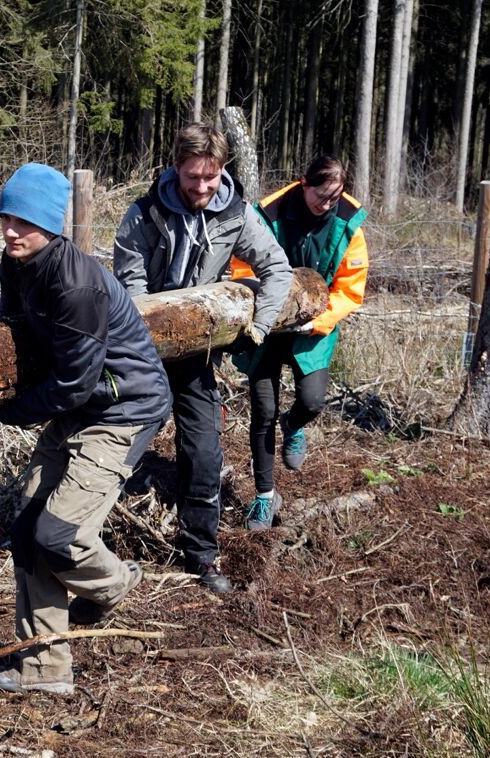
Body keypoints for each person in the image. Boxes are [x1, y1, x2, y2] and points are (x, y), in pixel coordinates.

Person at [0, 163, 172, 695]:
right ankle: (45, 670)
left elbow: (72, 384)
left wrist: (10, 409)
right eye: (5, 218)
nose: (11, 231)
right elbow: (10, 327)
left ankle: (114, 585)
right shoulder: (16, 263)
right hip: (80, 405)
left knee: (59, 532)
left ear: (52, 225)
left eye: (24, 221)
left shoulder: (76, 282)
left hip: (123, 410)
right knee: (27, 528)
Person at [112, 123, 292, 593]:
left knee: (204, 453)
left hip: (198, 355)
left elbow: (277, 267)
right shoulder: (144, 215)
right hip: (143, 352)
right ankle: (85, 545)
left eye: (210, 178)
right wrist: (146, 342)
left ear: (222, 172)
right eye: (193, 178)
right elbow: (130, 288)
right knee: (119, 448)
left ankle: (202, 554)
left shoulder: (235, 213)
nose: (202, 188)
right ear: (176, 169)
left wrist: (261, 324)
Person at [232, 156, 369, 529]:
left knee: (312, 400)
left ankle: (293, 427)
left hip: (315, 326)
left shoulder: (348, 224)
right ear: (303, 184)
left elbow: (349, 289)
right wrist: (264, 311)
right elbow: (243, 268)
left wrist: (320, 320)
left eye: (334, 197)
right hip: (266, 326)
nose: (327, 205)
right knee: (262, 411)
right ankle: (264, 497)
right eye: (321, 197)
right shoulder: (268, 214)